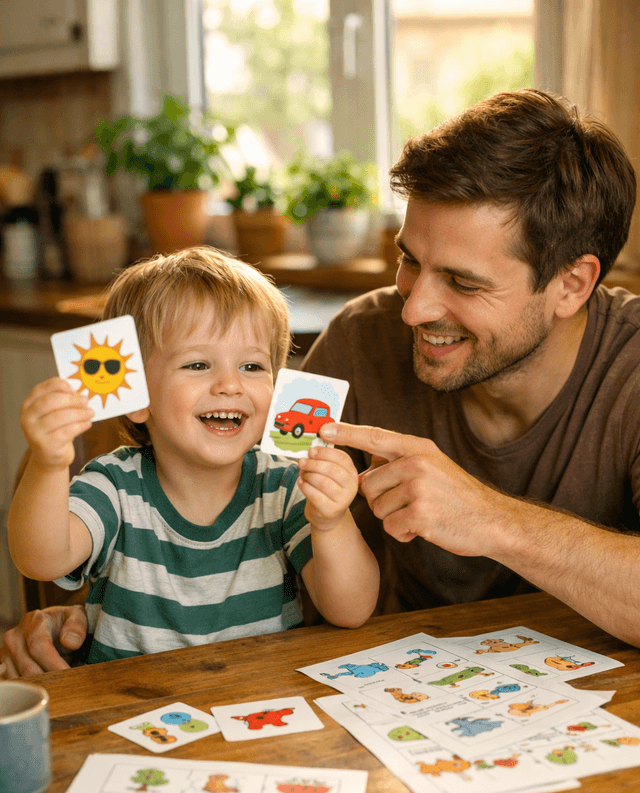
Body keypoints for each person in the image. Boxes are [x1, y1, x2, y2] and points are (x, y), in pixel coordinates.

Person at [301, 88, 640, 646]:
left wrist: (491, 521)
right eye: (410, 260)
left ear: (570, 284)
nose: (414, 309)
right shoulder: (357, 341)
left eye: (463, 282)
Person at [5, 247, 378, 672]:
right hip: (133, 712)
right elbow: (40, 559)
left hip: (262, 707)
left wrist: (332, 521)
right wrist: (48, 463)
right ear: (135, 395)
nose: (229, 384)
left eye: (253, 366)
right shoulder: (113, 484)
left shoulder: (286, 488)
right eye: (198, 364)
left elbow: (351, 610)